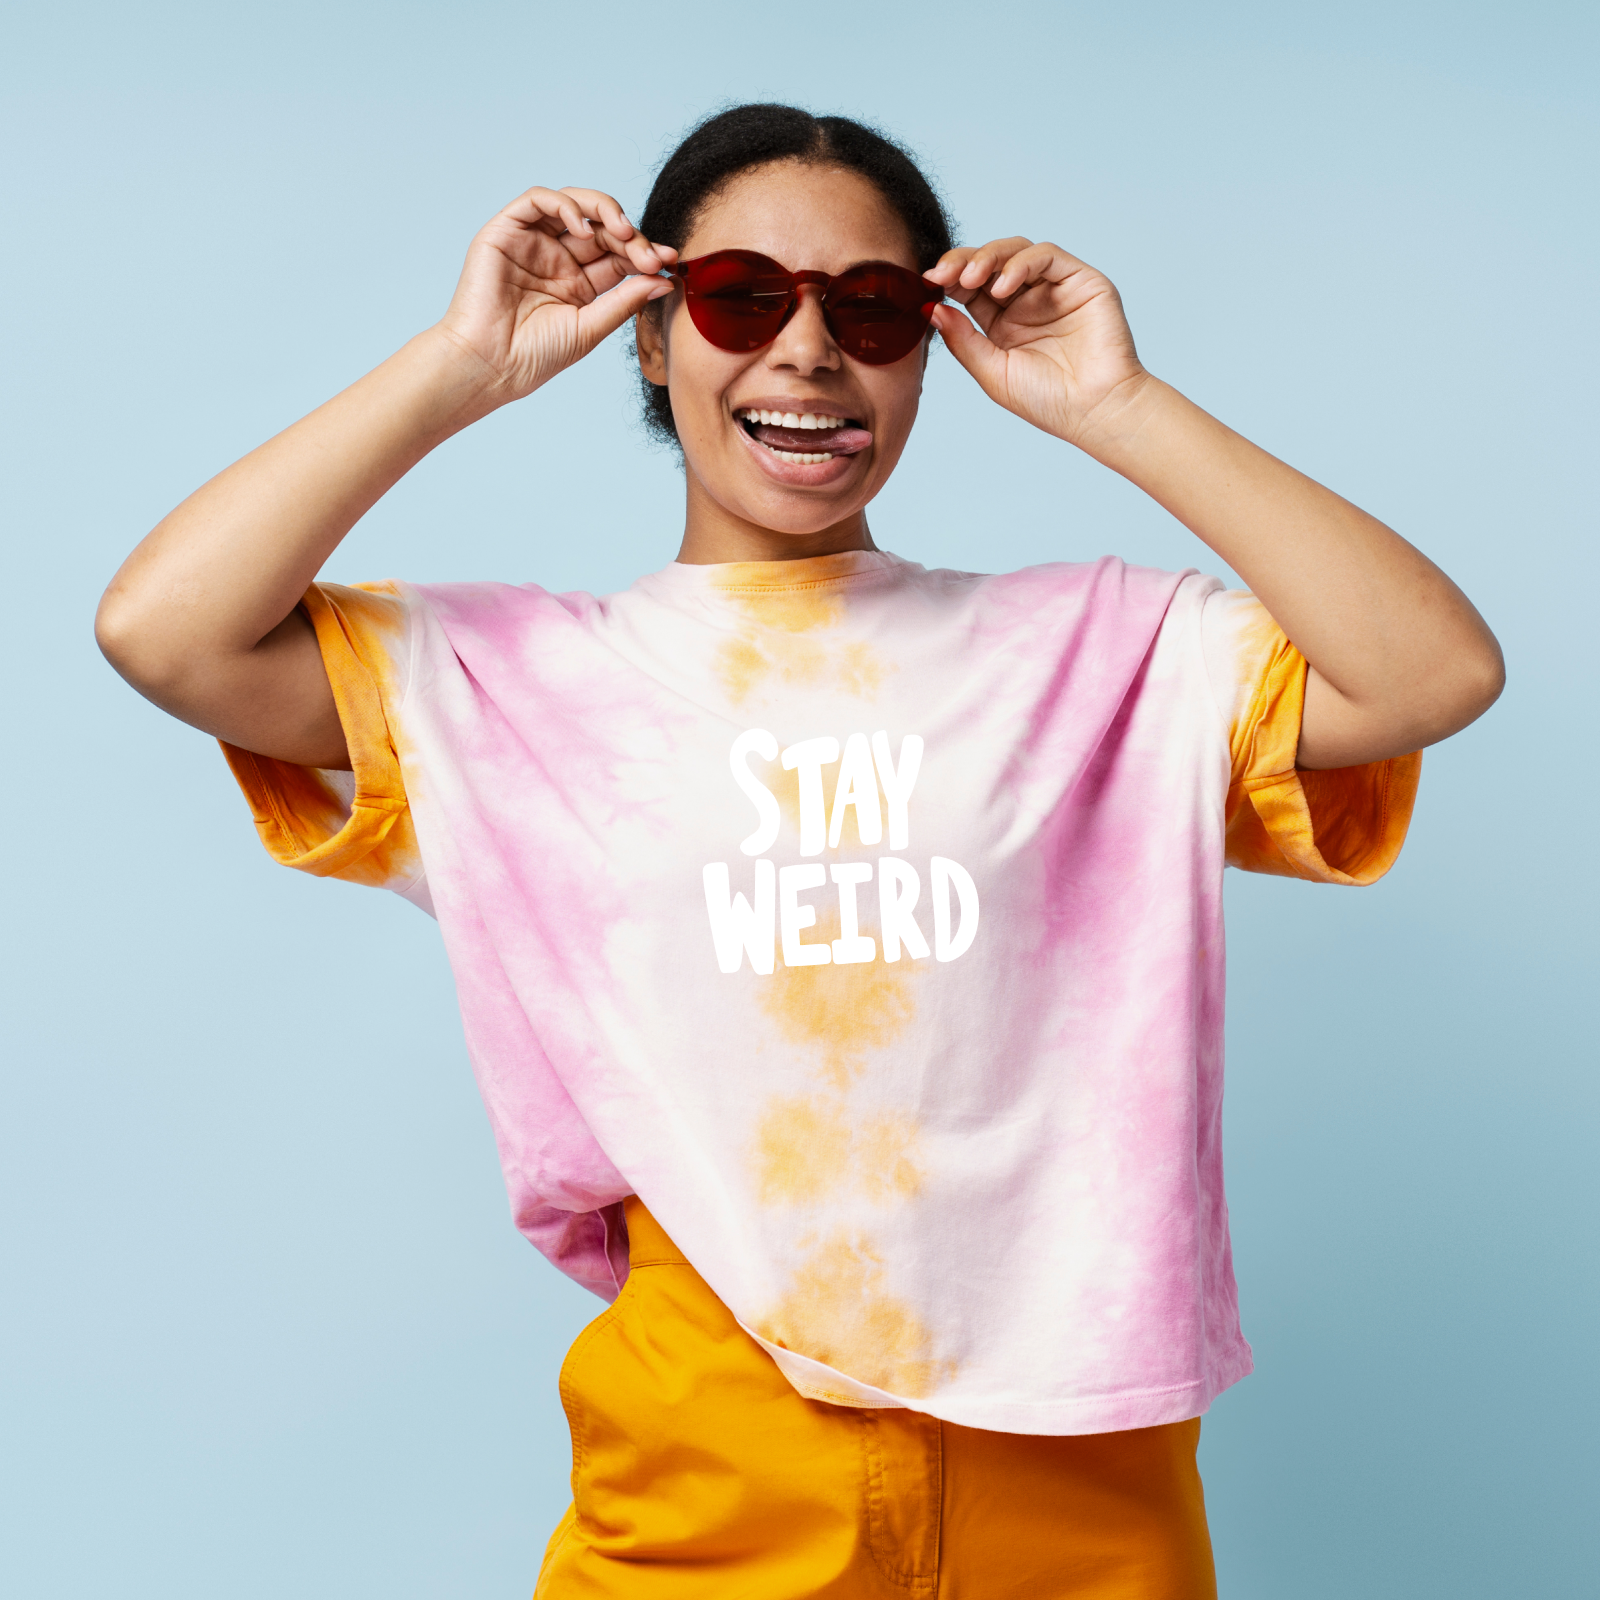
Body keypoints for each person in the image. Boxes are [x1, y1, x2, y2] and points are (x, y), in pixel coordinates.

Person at [96, 103, 1503, 1597]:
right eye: (742, 297)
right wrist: (462, 367)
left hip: (1082, 1473)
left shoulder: (1103, 651)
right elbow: (164, 630)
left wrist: (1120, 406)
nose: (810, 350)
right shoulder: (514, 681)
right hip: (709, 1457)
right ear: (651, 332)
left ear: (931, 346)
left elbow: (1432, 675)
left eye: (872, 308)